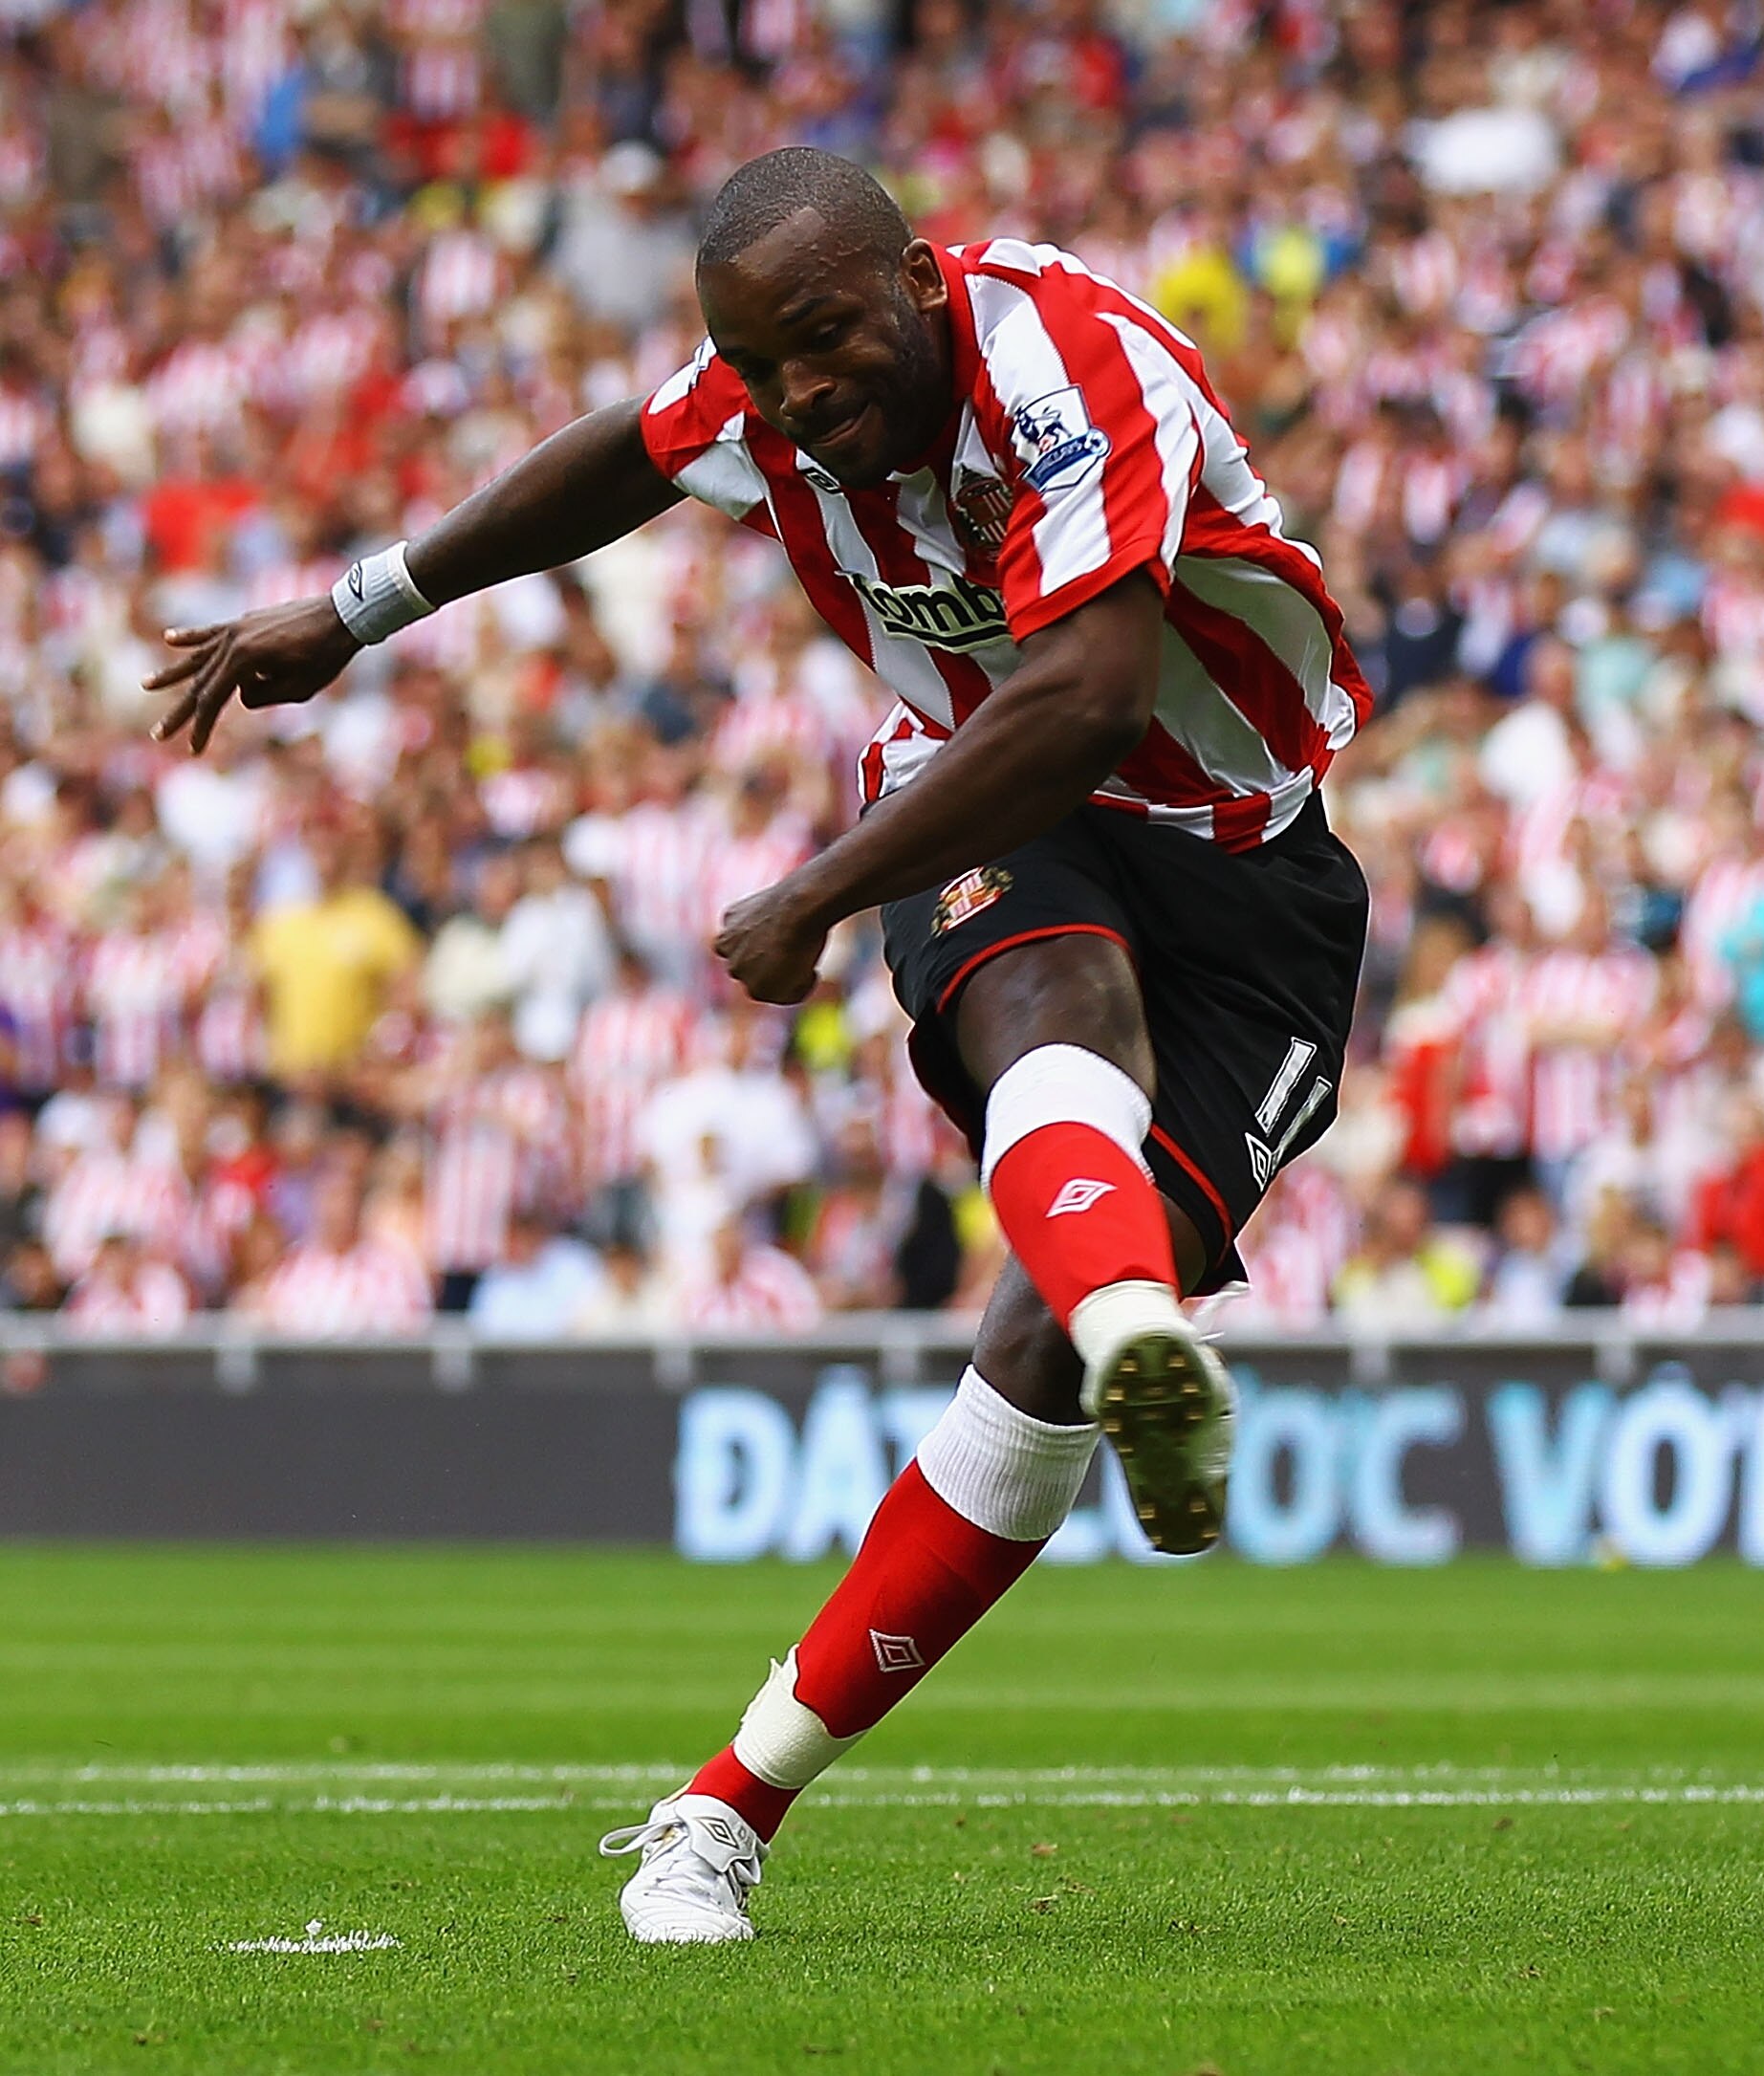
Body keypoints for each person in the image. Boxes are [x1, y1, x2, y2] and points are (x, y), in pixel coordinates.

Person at [143, 147, 1372, 1944]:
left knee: (1027, 1338)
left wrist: (805, 895)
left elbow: (1091, 694)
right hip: (989, 802)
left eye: (823, 342)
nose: (798, 397)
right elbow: (606, 469)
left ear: (918, 287)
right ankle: (732, 1803)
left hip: (1241, 870)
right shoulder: (766, 395)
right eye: (760, 364)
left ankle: (1088, 1359)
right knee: (1050, 1012)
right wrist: (349, 615)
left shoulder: (1067, 368)